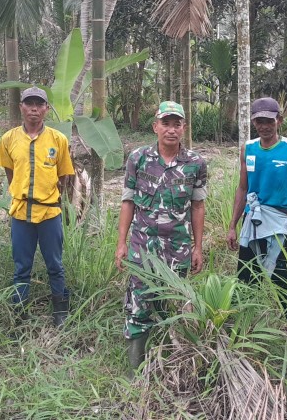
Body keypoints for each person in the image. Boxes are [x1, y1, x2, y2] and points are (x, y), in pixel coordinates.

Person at [115, 101, 208, 371]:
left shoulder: (195, 163)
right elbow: (128, 202)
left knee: (176, 301)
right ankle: (136, 368)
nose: (171, 129)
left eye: (176, 124)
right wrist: (121, 244)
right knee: (139, 300)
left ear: (183, 128)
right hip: (142, 244)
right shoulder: (138, 158)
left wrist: (197, 247)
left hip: (177, 245)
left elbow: (198, 205)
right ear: (155, 126)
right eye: (165, 123)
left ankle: (173, 362)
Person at [227, 97, 287, 338]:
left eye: (268, 121)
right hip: (252, 222)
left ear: (279, 121)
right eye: (259, 121)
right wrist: (232, 225)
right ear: (253, 122)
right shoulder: (248, 149)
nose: (264, 126)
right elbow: (242, 188)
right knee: (246, 279)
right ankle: (242, 333)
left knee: (284, 280)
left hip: (280, 224)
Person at [0, 86, 75, 327]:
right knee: (21, 267)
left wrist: (48, 195)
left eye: (39, 104)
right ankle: (19, 313)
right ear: (21, 107)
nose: (34, 108)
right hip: (21, 213)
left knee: (55, 264)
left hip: (50, 212)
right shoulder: (8, 139)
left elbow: (63, 176)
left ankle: (60, 311)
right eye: (29, 103)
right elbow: (10, 173)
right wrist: (22, 193)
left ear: (46, 109)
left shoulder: (58, 140)